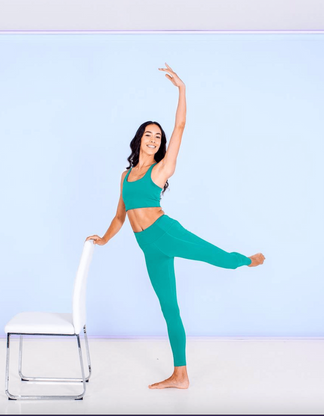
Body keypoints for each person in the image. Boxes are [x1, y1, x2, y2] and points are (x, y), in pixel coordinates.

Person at [85, 63, 265, 390]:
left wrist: (182, 89)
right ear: (139, 139)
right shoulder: (125, 177)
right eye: (149, 134)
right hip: (149, 250)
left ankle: (247, 259)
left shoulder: (161, 170)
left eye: (158, 136)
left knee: (220, 258)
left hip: (166, 233)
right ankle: (180, 375)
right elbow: (119, 217)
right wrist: (104, 239)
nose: (154, 139)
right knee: (170, 309)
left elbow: (180, 126)